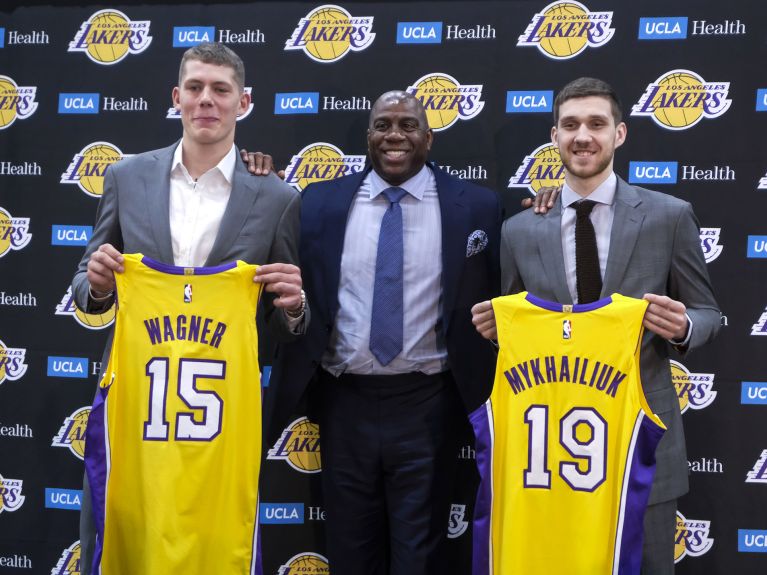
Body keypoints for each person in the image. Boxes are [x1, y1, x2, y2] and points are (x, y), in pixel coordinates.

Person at [72, 42, 305, 575]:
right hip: (136, 404)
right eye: (196, 88)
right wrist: (99, 283)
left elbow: (282, 323)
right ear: (176, 97)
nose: (207, 100)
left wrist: (294, 308)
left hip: (219, 417)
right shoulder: (126, 177)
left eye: (220, 90)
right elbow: (85, 285)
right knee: (122, 537)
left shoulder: (277, 198)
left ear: (243, 103)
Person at [471, 77, 720, 574]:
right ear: (554, 136)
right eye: (570, 125)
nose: (582, 135)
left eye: (596, 124)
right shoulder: (520, 229)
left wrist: (684, 326)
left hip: (639, 445)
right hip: (549, 459)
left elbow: (709, 312)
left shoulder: (669, 216)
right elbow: (516, 317)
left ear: (619, 134)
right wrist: (498, 331)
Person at [263, 90, 501, 574]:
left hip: (430, 404)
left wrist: (550, 199)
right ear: (368, 137)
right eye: (383, 125)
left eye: (408, 125)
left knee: (421, 553)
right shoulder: (320, 203)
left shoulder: (476, 207)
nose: (395, 135)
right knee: (350, 550)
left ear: (429, 138)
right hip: (342, 402)